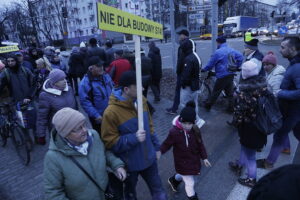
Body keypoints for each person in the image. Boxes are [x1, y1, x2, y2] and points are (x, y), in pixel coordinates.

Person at [101, 71, 167, 200]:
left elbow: (150, 125)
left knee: (159, 191)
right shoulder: (111, 113)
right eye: (138, 86)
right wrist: (133, 138)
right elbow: (109, 142)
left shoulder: (141, 99)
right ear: (126, 89)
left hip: (149, 159)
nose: (142, 88)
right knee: (130, 195)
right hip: (130, 165)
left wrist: (157, 147)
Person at [44, 107, 126, 200]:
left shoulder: (94, 135)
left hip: (107, 194)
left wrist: (116, 165)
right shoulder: (53, 158)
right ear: (65, 134)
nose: (85, 130)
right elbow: (53, 192)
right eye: (78, 129)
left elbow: (104, 152)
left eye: (84, 124)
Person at [257, 36, 300, 169]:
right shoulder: (294, 64)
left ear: (292, 49)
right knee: (297, 132)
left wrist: (280, 93)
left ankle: (269, 162)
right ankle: (286, 148)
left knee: (279, 134)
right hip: (293, 110)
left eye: (283, 47)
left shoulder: (297, 67)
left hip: (291, 111)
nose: (280, 50)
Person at [160, 101, 211, 200]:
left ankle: (173, 180)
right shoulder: (174, 132)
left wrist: (204, 157)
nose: (187, 126)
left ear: (194, 122)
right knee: (190, 182)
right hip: (181, 161)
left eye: (189, 124)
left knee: (184, 175)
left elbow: (200, 144)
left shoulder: (195, 130)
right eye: (184, 123)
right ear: (180, 120)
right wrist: (159, 152)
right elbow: (166, 144)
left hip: (193, 160)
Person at [228, 61, 268, 188]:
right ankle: (240, 163)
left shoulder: (245, 93)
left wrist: (236, 122)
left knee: (251, 155)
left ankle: (251, 179)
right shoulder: (264, 86)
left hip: (250, 127)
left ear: (244, 74)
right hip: (261, 124)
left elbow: (239, 113)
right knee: (245, 147)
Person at [202, 36, 243, 112]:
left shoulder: (218, 52)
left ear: (218, 42)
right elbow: (240, 57)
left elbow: (210, 64)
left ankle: (208, 106)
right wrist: (237, 66)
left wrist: (204, 69)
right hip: (231, 73)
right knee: (229, 92)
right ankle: (231, 108)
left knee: (216, 92)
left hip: (222, 75)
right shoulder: (231, 50)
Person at [36, 69, 77, 145]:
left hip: (74, 126)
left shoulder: (69, 89)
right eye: (61, 79)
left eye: (65, 78)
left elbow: (75, 108)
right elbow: (42, 117)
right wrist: (41, 135)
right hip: (59, 131)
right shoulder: (45, 95)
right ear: (54, 82)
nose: (65, 81)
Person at [262, 51, 290, 154]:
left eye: (267, 64)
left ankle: (271, 158)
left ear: (273, 64)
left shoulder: (277, 76)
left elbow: (276, 93)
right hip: (277, 105)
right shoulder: (272, 72)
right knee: (280, 127)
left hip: (277, 106)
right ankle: (286, 147)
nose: (265, 67)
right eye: (264, 64)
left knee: (277, 127)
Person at [79, 56, 114, 132]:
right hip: (99, 118)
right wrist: (96, 115)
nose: (101, 67)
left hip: (112, 113)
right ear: (90, 68)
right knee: (103, 137)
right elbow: (85, 102)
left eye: (101, 65)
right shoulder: (85, 83)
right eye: (98, 66)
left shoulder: (106, 76)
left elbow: (114, 89)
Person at [178, 38, 204, 128]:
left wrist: (182, 84)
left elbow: (186, 75)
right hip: (195, 85)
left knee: (184, 103)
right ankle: (196, 120)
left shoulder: (188, 59)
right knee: (195, 103)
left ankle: (190, 121)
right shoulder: (196, 56)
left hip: (188, 86)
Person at [166, 29, 191, 115]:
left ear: (184, 35)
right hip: (186, 72)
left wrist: (178, 71)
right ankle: (178, 108)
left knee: (179, 91)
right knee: (186, 91)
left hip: (182, 72)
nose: (179, 36)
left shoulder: (184, 45)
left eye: (180, 35)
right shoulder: (189, 44)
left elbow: (181, 60)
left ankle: (175, 109)